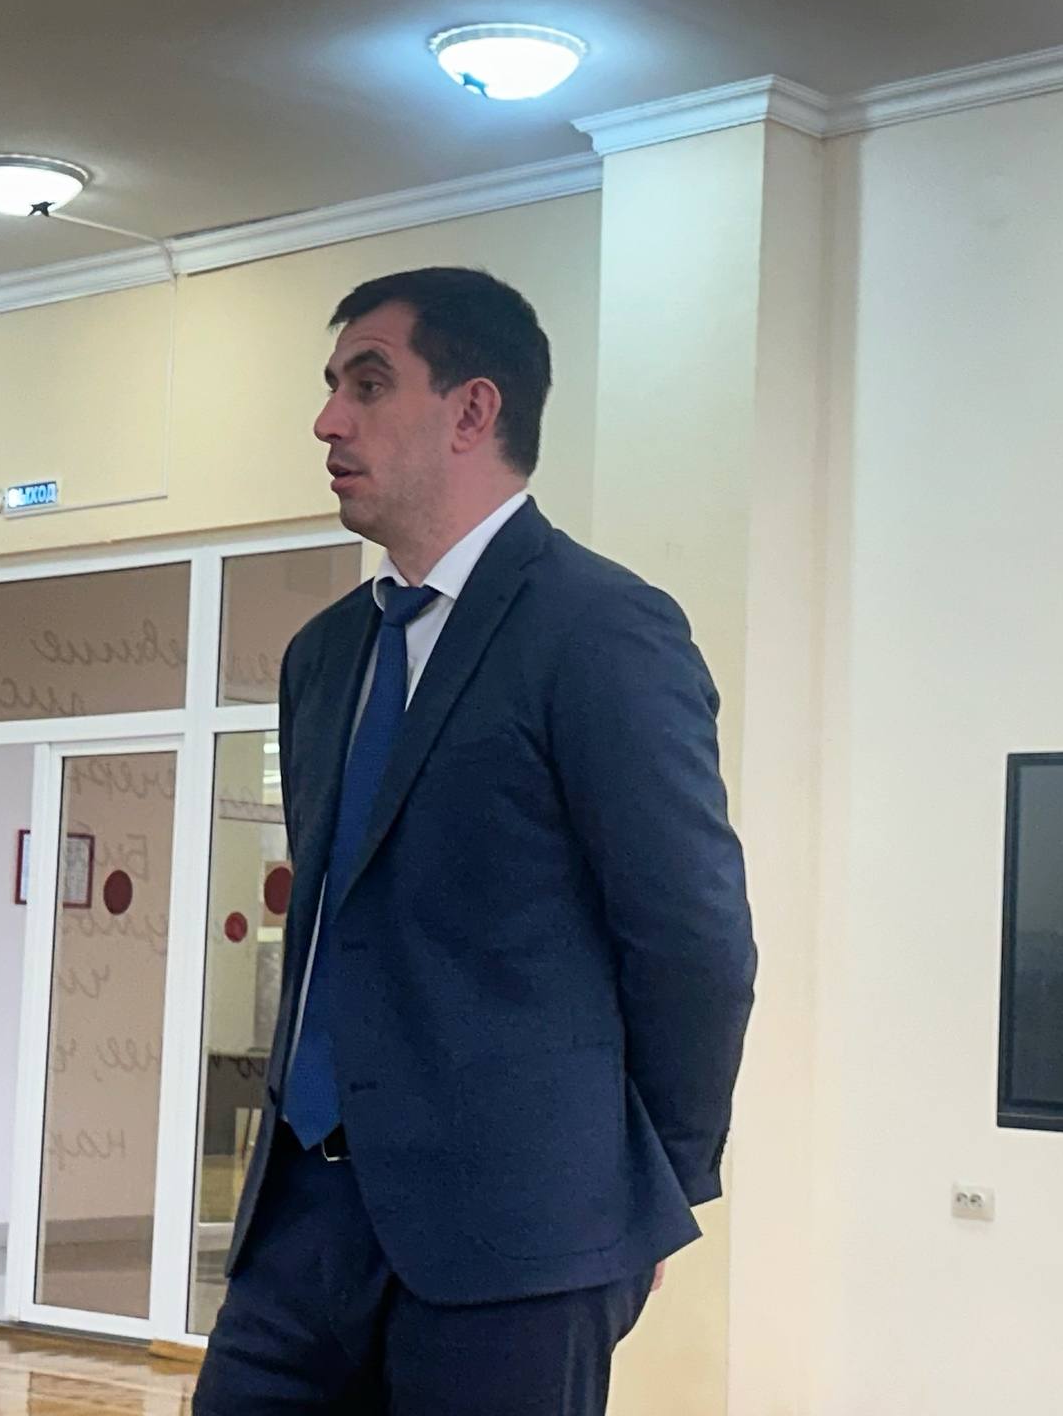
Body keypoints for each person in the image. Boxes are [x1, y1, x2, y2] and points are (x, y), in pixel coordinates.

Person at [193, 267, 758, 1415]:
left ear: (472, 410)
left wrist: (644, 1186)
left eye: (366, 384)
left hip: (516, 1240)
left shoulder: (600, 630)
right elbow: (342, 922)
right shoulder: (323, 658)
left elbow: (692, 941)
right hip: (299, 1228)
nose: (327, 421)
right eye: (330, 387)